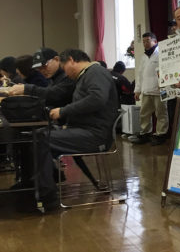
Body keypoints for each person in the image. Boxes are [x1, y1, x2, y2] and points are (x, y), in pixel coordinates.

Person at [34, 49, 118, 210]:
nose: (65, 72)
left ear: (71, 60)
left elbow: (96, 99)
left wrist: (63, 111)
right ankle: (43, 186)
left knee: (41, 138)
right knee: (39, 135)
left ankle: (46, 195)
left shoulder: (96, 72)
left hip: (95, 136)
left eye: (64, 66)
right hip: (87, 131)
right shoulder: (86, 75)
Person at [129, 33, 168, 146]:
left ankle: (161, 135)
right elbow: (140, 75)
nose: (145, 43)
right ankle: (145, 133)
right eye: (143, 41)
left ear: (155, 41)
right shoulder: (143, 57)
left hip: (160, 90)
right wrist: (137, 90)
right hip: (146, 90)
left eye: (148, 40)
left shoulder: (162, 53)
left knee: (161, 113)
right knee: (144, 114)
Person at [7, 48, 75, 107]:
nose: (42, 71)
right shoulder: (53, 77)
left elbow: (55, 94)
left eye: (44, 66)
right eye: (39, 68)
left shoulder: (68, 74)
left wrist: (26, 88)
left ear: (56, 59)